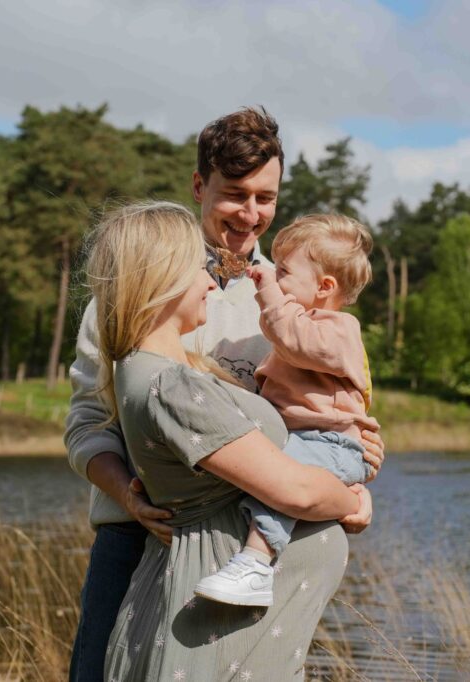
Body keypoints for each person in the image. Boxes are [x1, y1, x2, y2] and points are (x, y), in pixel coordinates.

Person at [64, 107, 384, 680]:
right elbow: (87, 423)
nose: (251, 213)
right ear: (198, 186)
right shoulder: (133, 292)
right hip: (135, 535)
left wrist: (352, 462)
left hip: (242, 545)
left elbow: (321, 416)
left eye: (267, 197)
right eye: (236, 194)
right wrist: (129, 495)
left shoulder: (297, 301)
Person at [194, 214, 379, 608]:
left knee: (283, 479)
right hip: (310, 439)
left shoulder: (338, 328)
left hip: (329, 442)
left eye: (284, 272)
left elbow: (295, 340)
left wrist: (270, 296)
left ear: (325, 287)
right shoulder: (307, 323)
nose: (274, 278)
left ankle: (257, 563)